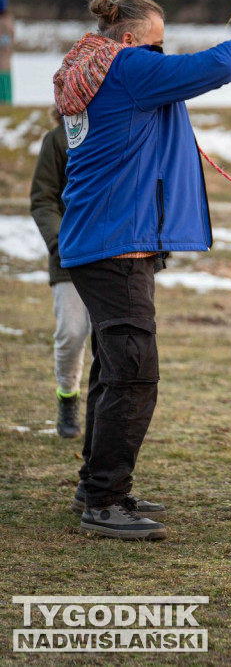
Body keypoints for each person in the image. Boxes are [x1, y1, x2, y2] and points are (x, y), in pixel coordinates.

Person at [53, 0, 231, 540]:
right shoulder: (129, 68)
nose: (163, 55)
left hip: (101, 242)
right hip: (116, 247)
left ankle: (96, 486)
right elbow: (214, 66)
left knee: (112, 370)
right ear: (130, 40)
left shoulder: (92, 68)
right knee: (134, 374)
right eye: (158, 44)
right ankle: (104, 503)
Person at [30, 107, 91, 438]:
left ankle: (104, 414)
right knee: (71, 333)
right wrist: (61, 242)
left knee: (112, 342)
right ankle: (68, 397)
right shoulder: (57, 140)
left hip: (115, 259)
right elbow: (43, 199)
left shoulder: (120, 129)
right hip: (69, 259)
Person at [0, 0, 12, 104]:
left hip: (2, 63)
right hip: (4, 63)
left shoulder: (4, 21)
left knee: (3, 86)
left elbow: (6, 41)